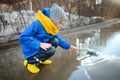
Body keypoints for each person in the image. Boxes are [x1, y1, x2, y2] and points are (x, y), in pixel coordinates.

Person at [19, 3, 78, 74]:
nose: (61, 26)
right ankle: (29, 62)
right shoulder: (37, 24)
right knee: (51, 50)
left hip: (39, 47)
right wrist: (39, 44)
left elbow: (58, 39)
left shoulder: (51, 27)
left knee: (55, 41)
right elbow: (23, 37)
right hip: (31, 49)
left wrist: (69, 46)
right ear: (54, 20)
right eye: (60, 23)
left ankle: (41, 59)